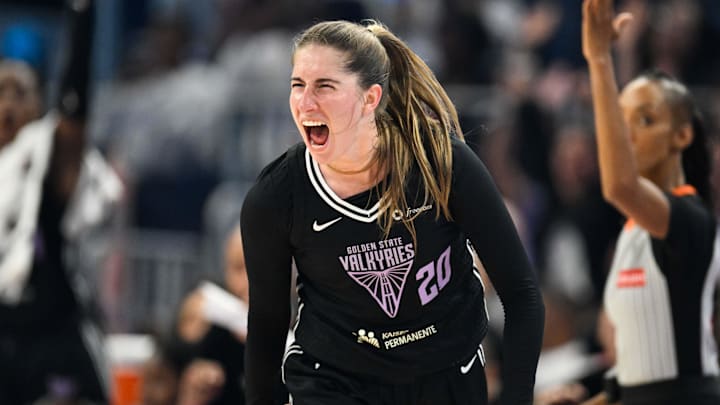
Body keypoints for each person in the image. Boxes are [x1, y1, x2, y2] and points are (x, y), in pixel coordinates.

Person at [240, 19, 545, 405]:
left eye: (324, 87)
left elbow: (522, 294)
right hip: (334, 380)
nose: (305, 102)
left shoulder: (440, 163)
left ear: (370, 98)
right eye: (297, 85)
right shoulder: (276, 197)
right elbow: (266, 329)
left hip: (446, 371)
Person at [582, 0, 720, 404]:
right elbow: (635, 377)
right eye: (619, 124)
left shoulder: (693, 219)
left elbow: (619, 186)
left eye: (644, 120)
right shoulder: (630, 233)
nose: (625, 137)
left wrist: (600, 60)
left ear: (682, 136)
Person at [0, 0, 121, 403]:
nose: (7, 106)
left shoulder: (42, 165)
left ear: (38, 110)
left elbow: (73, 119)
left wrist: (82, 18)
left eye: (19, 93)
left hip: (53, 343)